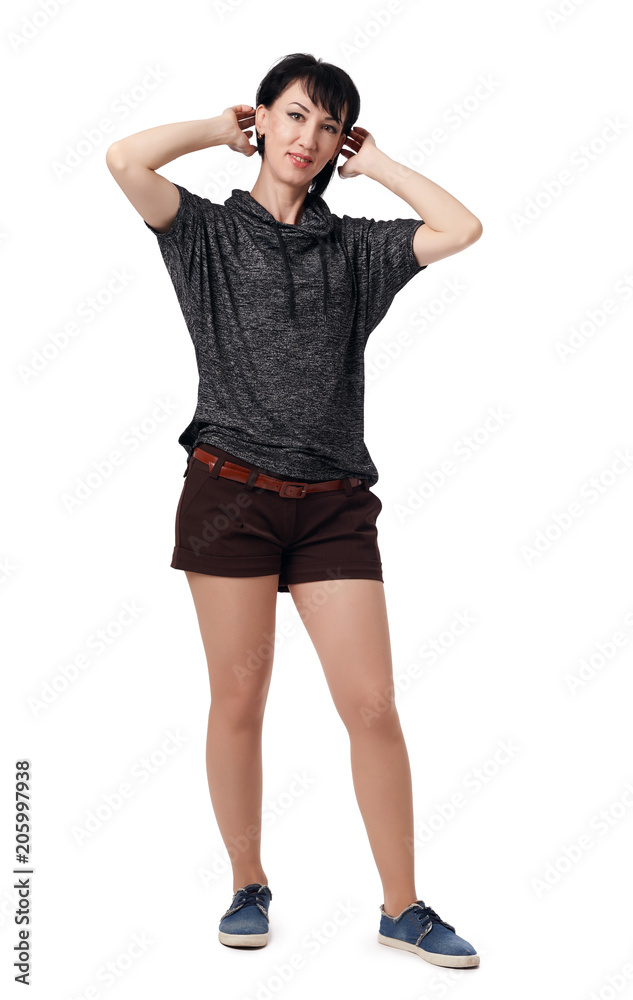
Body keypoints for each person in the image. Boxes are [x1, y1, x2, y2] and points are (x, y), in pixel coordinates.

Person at [106, 52, 483, 969]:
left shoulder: (356, 251)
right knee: (239, 697)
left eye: (328, 125)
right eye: (294, 116)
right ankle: (247, 883)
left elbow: (461, 226)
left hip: (333, 506)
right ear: (264, 122)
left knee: (372, 706)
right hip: (227, 494)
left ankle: (403, 907)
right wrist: (210, 128)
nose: (307, 138)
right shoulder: (201, 234)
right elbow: (124, 161)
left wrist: (380, 162)